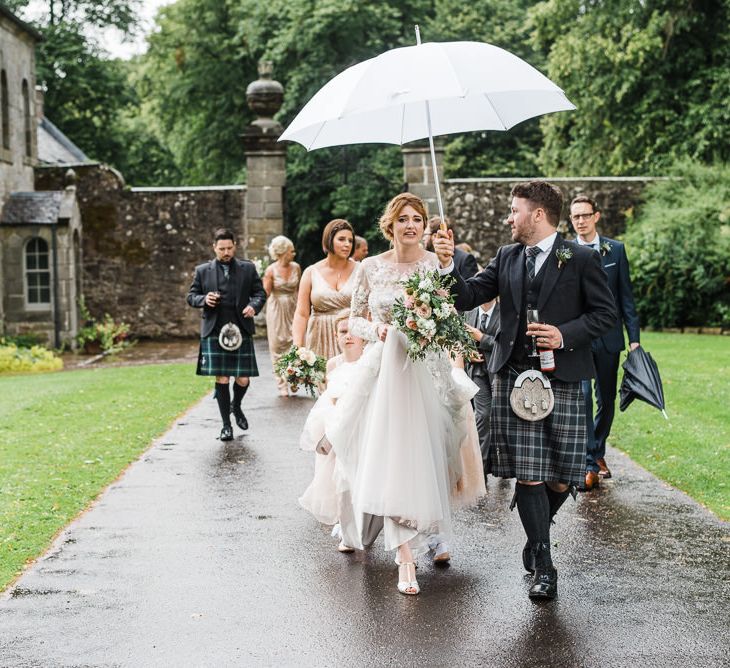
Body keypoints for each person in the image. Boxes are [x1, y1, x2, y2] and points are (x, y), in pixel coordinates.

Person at [433, 180, 616, 600]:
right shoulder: (507, 256)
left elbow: (605, 315)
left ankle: (535, 535)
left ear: (537, 214)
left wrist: (563, 334)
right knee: (531, 475)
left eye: (514, 211)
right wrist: (446, 266)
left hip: (563, 378)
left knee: (562, 478)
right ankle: (544, 564)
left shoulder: (582, 258)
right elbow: (466, 295)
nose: (508, 218)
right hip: (512, 379)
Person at [324, 192, 481, 596]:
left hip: (426, 372)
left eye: (417, 219)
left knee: (428, 456)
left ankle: (433, 531)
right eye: (403, 219)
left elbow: (450, 311)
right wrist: (374, 330)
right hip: (383, 372)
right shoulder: (370, 268)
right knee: (390, 458)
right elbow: (355, 318)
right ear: (389, 226)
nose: (411, 225)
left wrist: (446, 270)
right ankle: (404, 557)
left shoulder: (434, 265)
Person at [570, 195, 640, 490]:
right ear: (571, 221)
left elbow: (626, 297)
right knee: (584, 398)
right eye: (576, 217)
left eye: (586, 215)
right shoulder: (566, 251)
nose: (581, 221)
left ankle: (597, 450)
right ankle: (588, 463)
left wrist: (633, 340)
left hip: (610, 337)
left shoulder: (616, 250)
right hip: (580, 338)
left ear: (596, 216)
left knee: (607, 400)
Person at [187, 228, 267, 441]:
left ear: (235, 246)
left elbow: (260, 294)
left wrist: (253, 306)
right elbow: (191, 296)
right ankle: (225, 425)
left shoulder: (247, 269)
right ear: (214, 247)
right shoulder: (203, 271)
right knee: (222, 377)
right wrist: (204, 300)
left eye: (229, 248)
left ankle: (236, 405)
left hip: (240, 328)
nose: (226, 252)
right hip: (214, 329)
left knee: (242, 378)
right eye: (222, 249)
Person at [298, 312, 365, 553]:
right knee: (335, 474)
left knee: (356, 474)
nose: (348, 336)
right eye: (342, 332)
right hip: (333, 424)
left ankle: (363, 521)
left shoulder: (368, 361)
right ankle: (343, 521)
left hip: (359, 423)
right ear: (335, 336)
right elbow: (327, 398)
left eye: (352, 331)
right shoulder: (333, 364)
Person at [292, 219, 359, 361]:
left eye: (350, 241)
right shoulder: (311, 272)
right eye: (341, 239)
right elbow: (302, 314)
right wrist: (298, 346)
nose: (347, 244)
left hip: (350, 334)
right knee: (323, 381)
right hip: (319, 335)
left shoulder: (360, 270)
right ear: (329, 240)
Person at [465, 298, 500, 474]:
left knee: (501, 418)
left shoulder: (504, 311)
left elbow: (506, 345)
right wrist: (467, 352)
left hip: (499, 374)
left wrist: (481, 338)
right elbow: (458, 339)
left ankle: (503, 465)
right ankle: (481, 469)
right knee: (483, 416)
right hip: (477, 373)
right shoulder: (469, 312)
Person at [262, 235, 301, 396]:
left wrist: (302, 309)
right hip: (276, 308)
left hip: (293, 306)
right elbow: (265, 293)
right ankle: (281, 384)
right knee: (277, 346)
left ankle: (293, 378)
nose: (294, 253)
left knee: (295, 343)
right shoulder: (271, 270)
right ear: (283, 252)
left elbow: (299, 290)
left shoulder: (296, 267)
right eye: (291, 251)